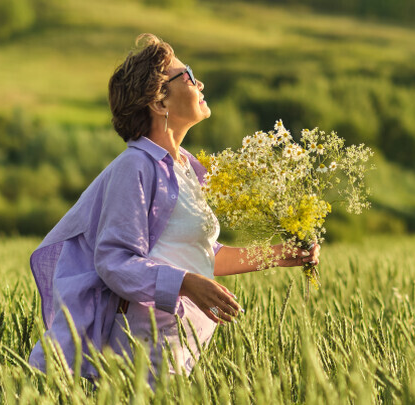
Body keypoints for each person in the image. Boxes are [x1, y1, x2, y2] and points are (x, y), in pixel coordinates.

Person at [27, 33, 320, 379]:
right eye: (189, 75)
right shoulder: (134, 166)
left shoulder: (185, 168)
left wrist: (278, 255)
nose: (200, 82)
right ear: (160, 102)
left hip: (173, 341)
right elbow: (114, 260)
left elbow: (203, 254)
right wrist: (185, 283)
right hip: (140, 342)